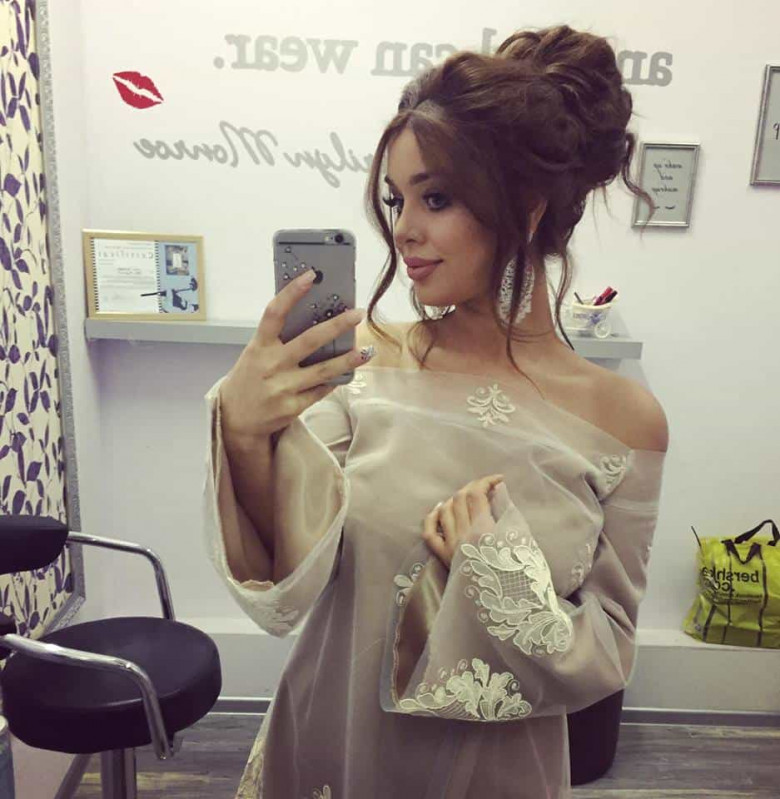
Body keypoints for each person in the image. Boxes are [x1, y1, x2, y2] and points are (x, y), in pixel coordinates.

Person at [203, 24, 670, 799]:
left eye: (437, 197)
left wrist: (496, 569)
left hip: (494, 773)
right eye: (397, 199)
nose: (404, 229)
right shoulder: (369, 360)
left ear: (525, 207)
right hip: (333, 742)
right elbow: (287, 580)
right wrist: (248, 434)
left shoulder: (625, 418)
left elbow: (609, 652)